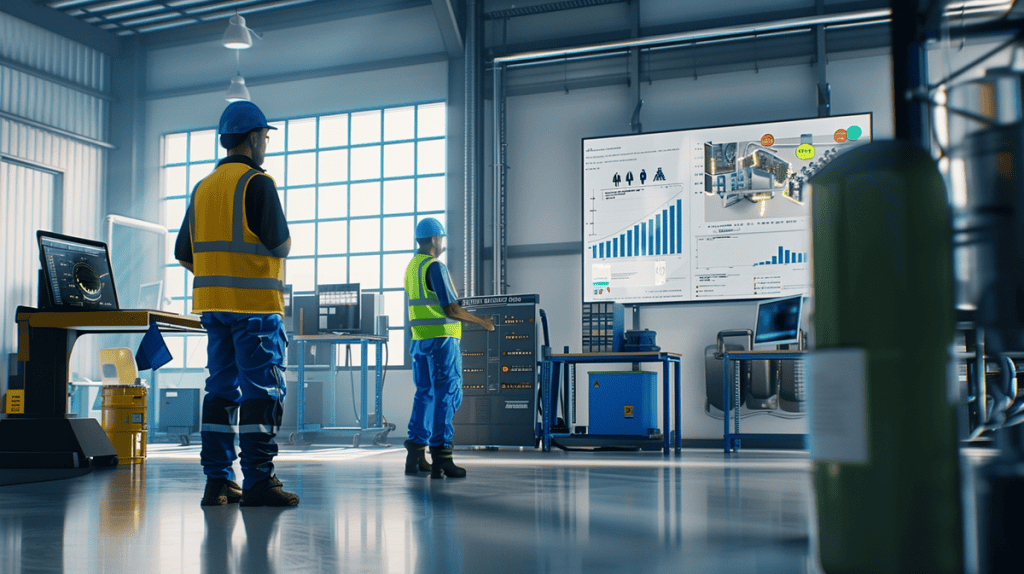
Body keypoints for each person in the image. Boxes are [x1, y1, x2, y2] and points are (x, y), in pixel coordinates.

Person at [175, 100, 298, 507]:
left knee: (221, 391)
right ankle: (260, 481)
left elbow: (183, 253)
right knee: (262, 392)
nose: (266, 143)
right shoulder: (257, 183)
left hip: (215, 309)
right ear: (251, 138)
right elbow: (280, 245)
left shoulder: (203, 187)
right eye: (264, 136)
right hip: (255, 310)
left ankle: (219, 481)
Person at [404, 218, 494, 478]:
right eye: (440, 239)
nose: (441, 243)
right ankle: (442, 457)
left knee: (424, 394)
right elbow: (451, 309)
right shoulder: (435, 267)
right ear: (435, 240)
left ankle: (416, 456)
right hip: (442, 341)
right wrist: (482, 322)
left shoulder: (412, 268)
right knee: (446, 394)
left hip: (419, 340)